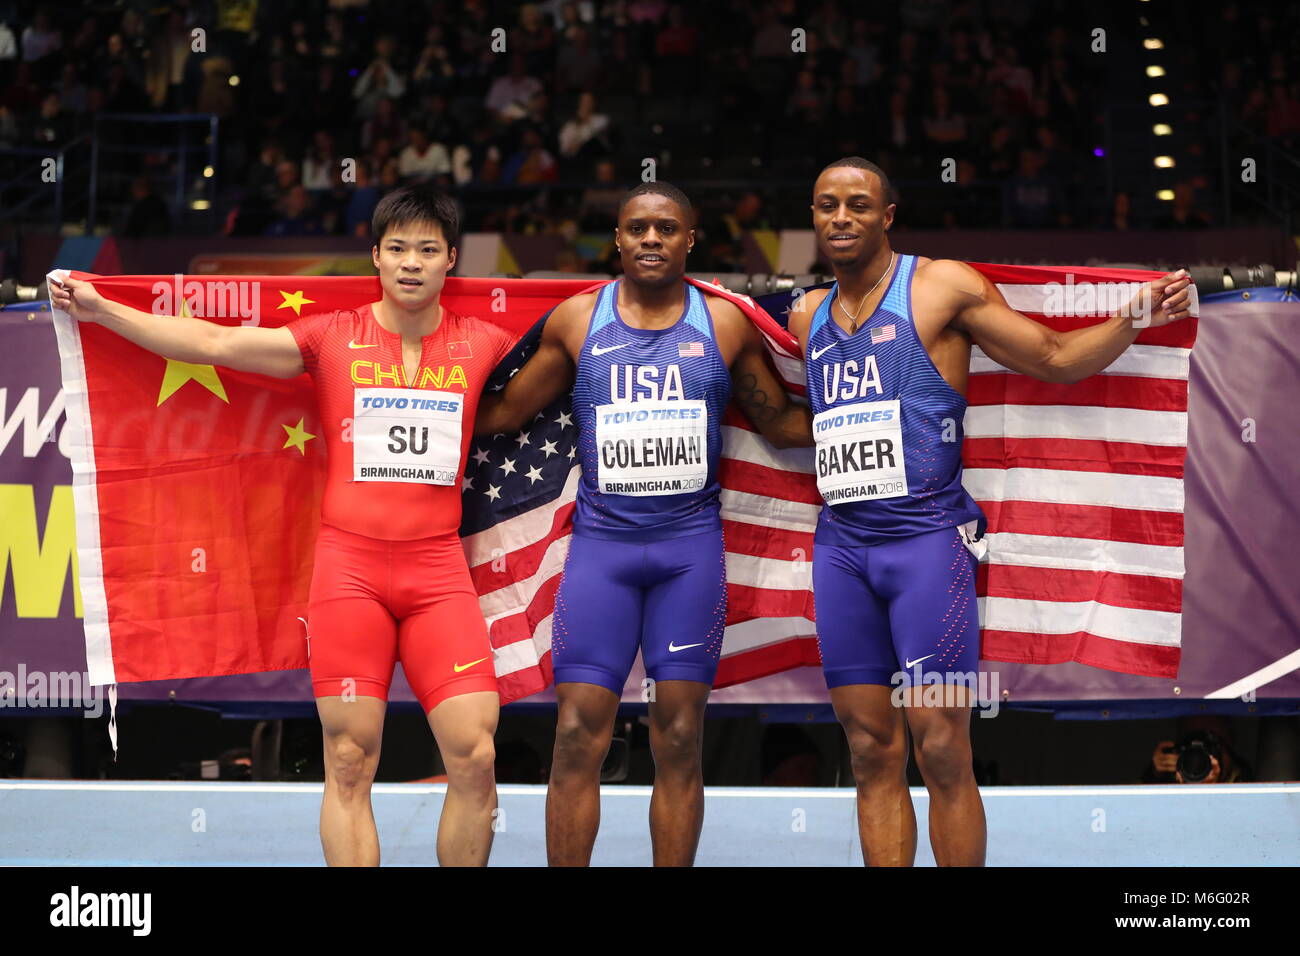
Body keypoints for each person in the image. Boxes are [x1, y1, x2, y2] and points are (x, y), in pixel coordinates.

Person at [50, 186, 516, 867]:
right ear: (375, 259)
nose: (411, 263)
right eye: (396, 249)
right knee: (350, 757)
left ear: (451, 259)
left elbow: (579, 360)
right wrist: (102, 310)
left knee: (476, 754)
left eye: (426, 249)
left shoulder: (486, 344)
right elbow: (211, 340)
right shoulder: (331, 338)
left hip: (437, 576)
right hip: (350, 576)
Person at [787, 157, 1192, 867]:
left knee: (941, 744)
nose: (841, 218)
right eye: (827, 206)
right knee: (868, 748)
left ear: (887, 216)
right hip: (842, 552)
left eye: (858, 205)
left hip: (926, 549)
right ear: (814, 217)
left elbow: (1057, 357)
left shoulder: (941, 285)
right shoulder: (806, 312)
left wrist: (1135, 313)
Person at [475, 181, 812, 866]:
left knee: (680, 735)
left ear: (691, 240)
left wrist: (890, 412)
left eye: (665, 228)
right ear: (618, 240)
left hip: (688, 554)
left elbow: (777, 422)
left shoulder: (722, 325)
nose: (650, 239)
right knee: (576, 734)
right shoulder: (578, 318)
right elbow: (507, 414)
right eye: (636, 229)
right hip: (603, 554)